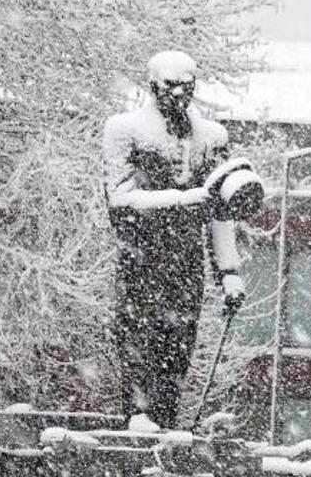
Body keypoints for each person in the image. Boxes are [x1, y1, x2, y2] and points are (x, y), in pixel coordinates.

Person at [102, 50, 248, 431]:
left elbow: (222, 211)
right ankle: (139, 415)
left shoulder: (212, 138)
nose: (179, 94)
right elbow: (120, 203)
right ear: (154, 85)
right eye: (171, 85)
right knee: (137, 340)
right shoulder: (124, 130)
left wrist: (229, 271)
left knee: (178, 346)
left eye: (187, 86)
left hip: (186, 264)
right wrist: (190, 200)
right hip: (140, 259)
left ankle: (166, 422)